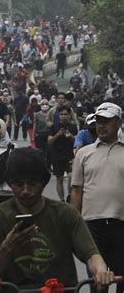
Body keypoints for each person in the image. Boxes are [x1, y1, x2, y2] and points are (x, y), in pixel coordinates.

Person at [0, 147, 114, 292]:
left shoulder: (66, 214)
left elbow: (91, 254)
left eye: (32, 184)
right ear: (10, 184)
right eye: (18, 184)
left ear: (43, 183)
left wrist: (100, 270)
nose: (25, 190)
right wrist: (7, 247)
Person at [71, 102, 124, 293]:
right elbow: (76, 192)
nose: (101, 125)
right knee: (98, 282)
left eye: (107, 121)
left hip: (121, 223)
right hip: (92, 225)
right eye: (99, 121)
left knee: (121, 279)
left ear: (119, 122)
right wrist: (72, 225)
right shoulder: (84, 154)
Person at [47, 105, 78, 202]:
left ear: (69, 115)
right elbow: (49, 141)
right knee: (59, 179)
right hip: (57, 156)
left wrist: (70, 136)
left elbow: (77, 141)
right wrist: (58, 134)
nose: (64, 116)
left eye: (66, 114)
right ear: (59, 115)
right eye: (62, 114)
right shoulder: (54, 126)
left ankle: (69, 196)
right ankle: (62, 200)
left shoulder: (73, 126)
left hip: (69, 155)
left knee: (71, 177)